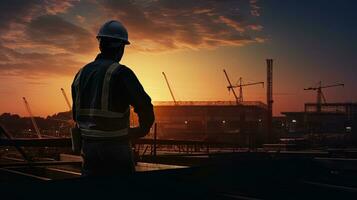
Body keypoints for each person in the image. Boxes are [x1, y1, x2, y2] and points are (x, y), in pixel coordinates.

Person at [71, 20, 155, 177]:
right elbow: (144, 105)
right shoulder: (120, 73)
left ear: (100, 44)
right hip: (116, 148)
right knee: (121, 190)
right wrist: (140, 130)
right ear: (121, 47)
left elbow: (76, 114)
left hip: (89, 150)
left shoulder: (81, 74)